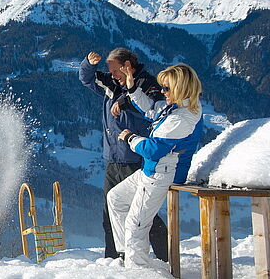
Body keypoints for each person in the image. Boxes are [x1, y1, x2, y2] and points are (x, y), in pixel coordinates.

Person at [108, 63, 203, 268]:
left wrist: (130, 138)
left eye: (167, 88)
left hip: (163, 173)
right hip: (153, 168)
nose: (162, 91)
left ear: (181, 88)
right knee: (115, 198)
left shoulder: (183, 117)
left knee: (137, 224)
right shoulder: (175, 107)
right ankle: (127, 254)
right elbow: (152, 109)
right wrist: (133, 89)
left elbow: (153, 149)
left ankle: (138, 269)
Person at [79, 48, 168, 260]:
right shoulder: (112, 84)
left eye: (115, 70)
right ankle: (113, 258)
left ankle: (166, 257)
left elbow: (153, 108)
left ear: (128, 65)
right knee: (110, 212)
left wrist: (124, 101)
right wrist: (89, 64)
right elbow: (86, 79)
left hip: (135, 159)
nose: (111, 75)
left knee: (143, 214)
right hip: (113, 160)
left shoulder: (147, 83)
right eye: (109, 71)